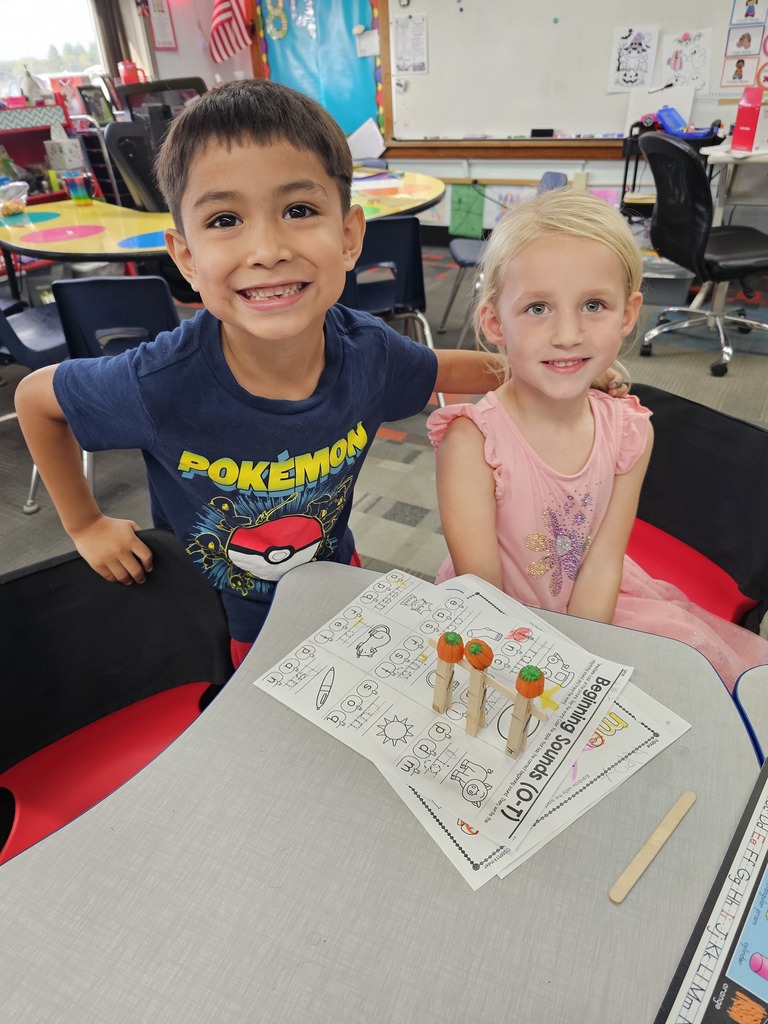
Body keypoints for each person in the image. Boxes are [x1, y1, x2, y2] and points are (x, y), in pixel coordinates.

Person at [14, 80, 623, 670]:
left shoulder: (369, 353)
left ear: (350, 236)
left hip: (336, 589)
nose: (268, 248)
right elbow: (36, 399)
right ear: (186, 259)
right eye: (225, 220)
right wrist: (86, 523)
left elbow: (442, 368)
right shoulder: (158, 381)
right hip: (218, 617)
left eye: (298, 210)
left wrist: (545, 369)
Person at [428, 188, 768, 691]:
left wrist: (581, 661)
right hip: (497, 618)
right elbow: (483, 597)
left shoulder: (631, 431)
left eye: (593, 304)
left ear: (628, 314)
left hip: (597, 602)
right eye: (538, 307)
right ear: (496, 322)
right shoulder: (471, 443)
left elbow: (605, 558)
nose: (568, 334)